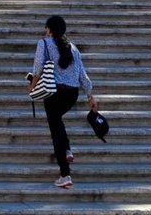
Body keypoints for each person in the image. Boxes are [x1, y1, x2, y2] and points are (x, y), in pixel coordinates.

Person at [29, 14, 98, 190]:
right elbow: (83, 74)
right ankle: (67, 150)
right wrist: (90, 96)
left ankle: (65, 174)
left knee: (55, 131)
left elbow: (37, 68)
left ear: (49, 29)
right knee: (57, 122)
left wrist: (32, 86)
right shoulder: (73, 48)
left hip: (53, 92)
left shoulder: (43, 43)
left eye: (46, 28)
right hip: (71, 94)